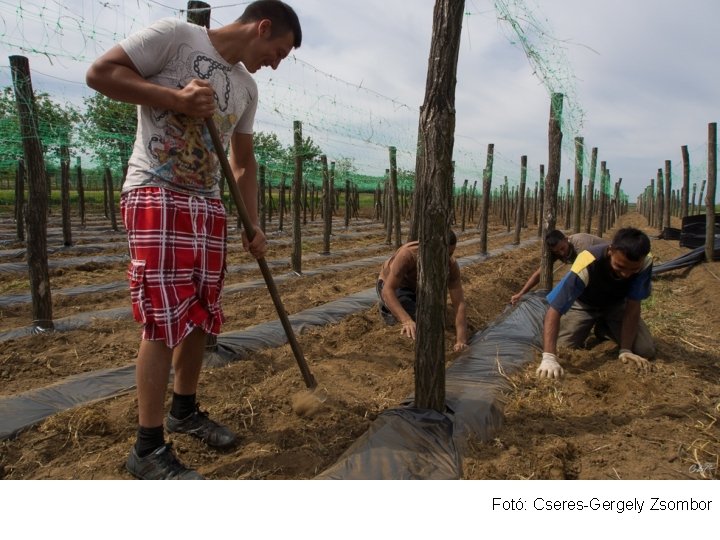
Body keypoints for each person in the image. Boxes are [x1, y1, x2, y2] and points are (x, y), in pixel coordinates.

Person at [85, 0, 302, 480]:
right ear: (262, 27)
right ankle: (147, 446)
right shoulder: (176, 36)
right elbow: (100, 74)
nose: (276, 62)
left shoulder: (246, 88)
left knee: (202, 314)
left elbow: (243, 163)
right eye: (279, 50)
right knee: (163, 320)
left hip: (207, 204)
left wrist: (252, 222)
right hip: (156, 192)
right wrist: (177, 101)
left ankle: (185, 411)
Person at [537, 227, 655, 379]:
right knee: (562, 347)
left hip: (616, 304)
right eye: (620, 267)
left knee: (645, 350)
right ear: (611, 250)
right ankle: (593, 323)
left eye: (633, 270)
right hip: (585, 305)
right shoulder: (587, 261)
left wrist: (625, 350)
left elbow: (633, 306)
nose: (626, 274)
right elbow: (555, 309)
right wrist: (549, 357)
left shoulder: (645, 261)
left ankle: (603, 328)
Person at [377, 230, 469, 352]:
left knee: (433, 316)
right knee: (419, 319)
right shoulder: (408, 254)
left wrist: (461, 341)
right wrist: (406, 321)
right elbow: (388, 290)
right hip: (395, 286)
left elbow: (459, 304)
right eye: (441, 254)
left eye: (450, 254)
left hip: (419, 288)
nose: (445, 259)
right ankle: (387, 308)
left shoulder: (450, 265)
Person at [510, 230, 607, 305]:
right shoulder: (558, 250)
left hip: (606, 263)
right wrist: (521, 294)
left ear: (566, 239)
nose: (561, 253)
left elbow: (580, 273)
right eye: (557, 252)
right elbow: (540, 273)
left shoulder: (581, 245)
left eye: (562, 248)